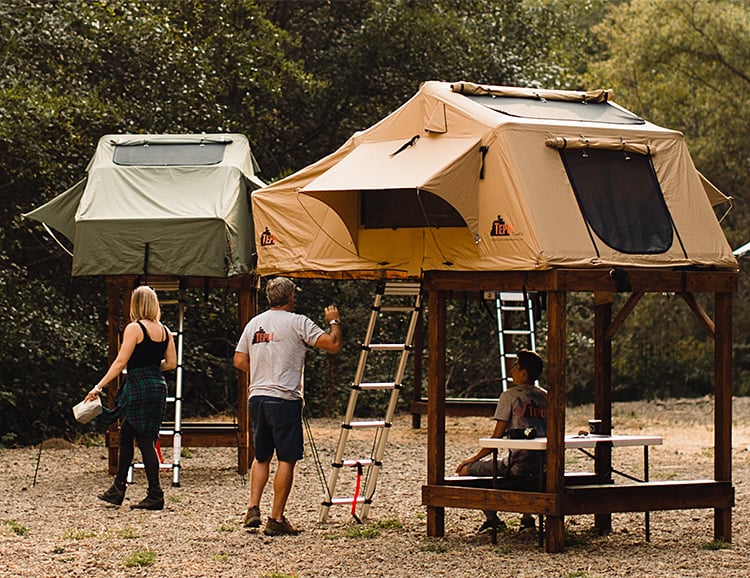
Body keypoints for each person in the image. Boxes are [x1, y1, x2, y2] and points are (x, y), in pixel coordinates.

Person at [234, 277, 341, 536]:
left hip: (257, 397)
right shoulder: (298, 322)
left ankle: (252, 508)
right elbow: (332, 344)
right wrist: (334, 321)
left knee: (261, 457)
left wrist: (261, 372)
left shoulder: (254, 323)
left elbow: (239, 360)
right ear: (291, 297)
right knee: (287, 458)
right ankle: (276, 518)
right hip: (284, 399)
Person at [85, 285, 176, 511]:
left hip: (139, 387)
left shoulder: (134, 328)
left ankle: (155, 494)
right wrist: (152, 368)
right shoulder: (164, 330)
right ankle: (118, 489)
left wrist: (98, 386)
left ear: (135, 304)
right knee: (128, 434)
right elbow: (172, 363)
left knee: (144, 440)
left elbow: (120, 362)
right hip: (158, 386)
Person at [455, 349, 547, 533]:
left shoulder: (510, 396)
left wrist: (473, 459)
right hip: (544, 467)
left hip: (517, 466)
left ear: (523, 372)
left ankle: (492, 519)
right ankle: (527, 519)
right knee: (522, 470)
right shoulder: (547, 396)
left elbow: (496, 438)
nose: (512, 369)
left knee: (465, 471)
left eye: (516, 365)